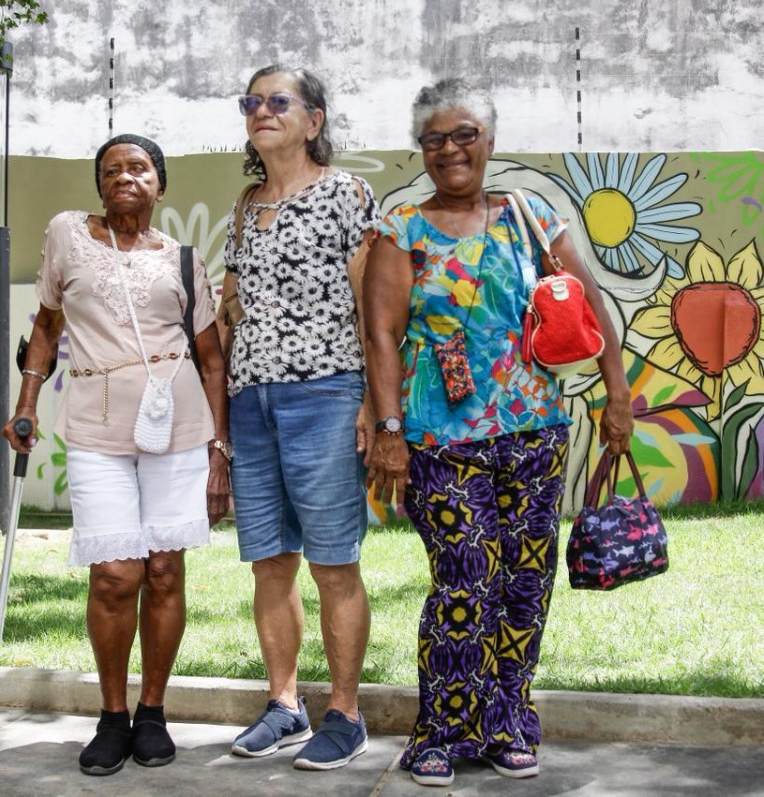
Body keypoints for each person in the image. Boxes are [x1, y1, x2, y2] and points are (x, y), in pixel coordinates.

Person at [363, 79, 634, 788]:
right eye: (434, 140)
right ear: (420, 150)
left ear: (489, 141)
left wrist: (619, 392)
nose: (450, 150)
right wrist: (389, 430)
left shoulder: (531, 216)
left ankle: (509, 719)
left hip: (536, 431)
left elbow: (589, 302)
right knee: (464, 577)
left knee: (525, 582)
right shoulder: (401, 231)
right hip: (440, 441)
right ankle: (441, 730)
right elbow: (382, 338)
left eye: (464, 136)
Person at [4, 134, 231, 777]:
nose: (125, 177)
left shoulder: (183, 261)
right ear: (98, 185)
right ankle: (111, 714)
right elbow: (46, 327)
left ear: (160, 184)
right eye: (112, 170)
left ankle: (152, 711)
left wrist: (220, 449)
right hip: (97, 426)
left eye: (139, 168)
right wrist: (25, 403)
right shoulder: (68, 237)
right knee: (115, 575)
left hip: (178, 426)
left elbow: (212, 360)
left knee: (164, 571)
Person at [221, 64, 380, 771]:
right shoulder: (245, 204)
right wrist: (220, 410)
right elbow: (231, 305)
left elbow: (372, 309)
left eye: (277, 101)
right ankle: (284, 705)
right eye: (252, 102)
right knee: (269, 564)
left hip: (325, 395)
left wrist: (377, 404)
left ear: (314, 120)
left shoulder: (346, 194)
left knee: (332, 563)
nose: (261, 110)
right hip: (251, 403)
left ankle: (345, 713)